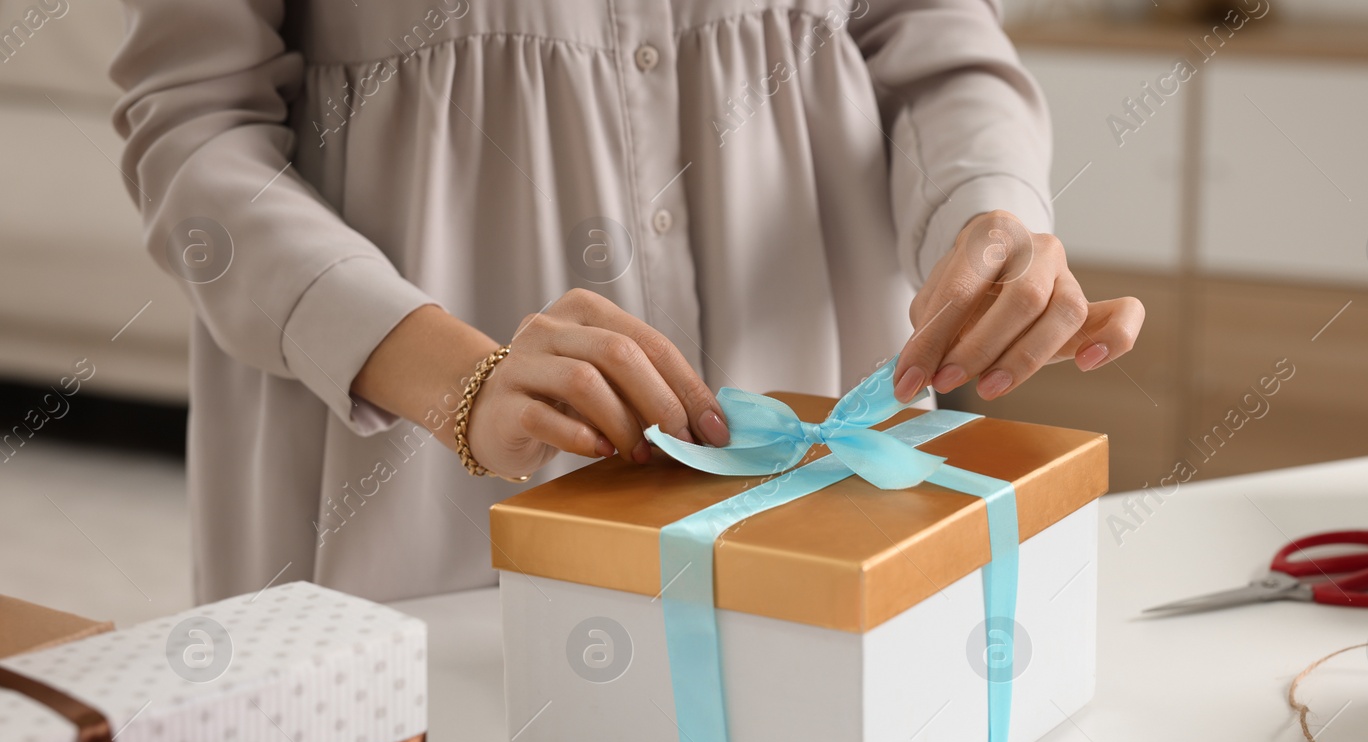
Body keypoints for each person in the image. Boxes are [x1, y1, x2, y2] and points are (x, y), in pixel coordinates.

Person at [110, 0, 1144, 604]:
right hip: (407, 480)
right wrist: (457, 381)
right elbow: (197, 129)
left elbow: (928, 35)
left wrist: (987, 213)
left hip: (819, 446)